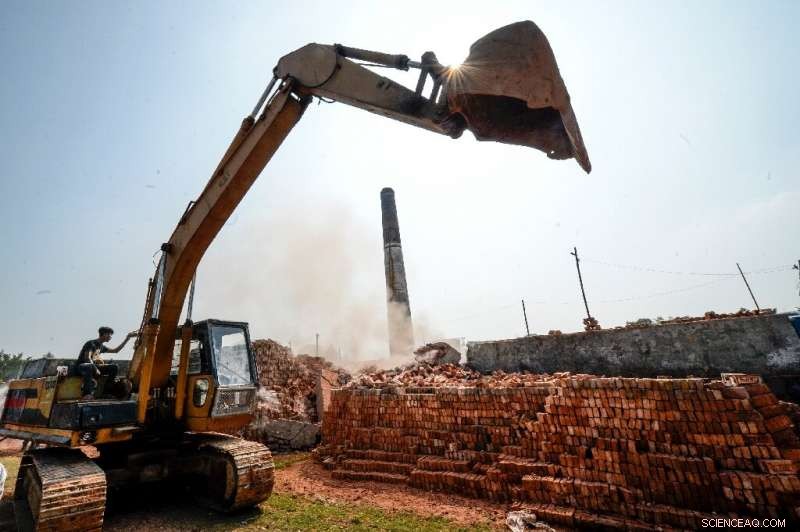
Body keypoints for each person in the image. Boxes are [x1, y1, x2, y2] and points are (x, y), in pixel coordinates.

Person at [77, 326, 137, 400]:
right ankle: (87, 394)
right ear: (104, 334)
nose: (110, 337)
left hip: (93, 367)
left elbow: (116, 350)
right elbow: (87, 358)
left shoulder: (101, 347)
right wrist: (95, 368)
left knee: (114, 367)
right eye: (109, 334)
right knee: (89, 366)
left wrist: (127, 338)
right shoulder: (91, 343)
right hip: (82, 367)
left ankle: (106, 393)